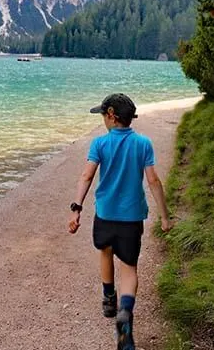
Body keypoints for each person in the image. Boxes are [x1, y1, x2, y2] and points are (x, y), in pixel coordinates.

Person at [68, 93, 172, 350]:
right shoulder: (143, 144)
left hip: (105, 214)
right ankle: (125, 312)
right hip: (131, 217)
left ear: (112, 115)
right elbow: (153, 181)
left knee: (105, 253)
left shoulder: (100, 144)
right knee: (129, 267)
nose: (103, 120)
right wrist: (165, 216)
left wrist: (76, 208)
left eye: (103, 115)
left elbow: (86, 176)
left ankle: (108, 300)